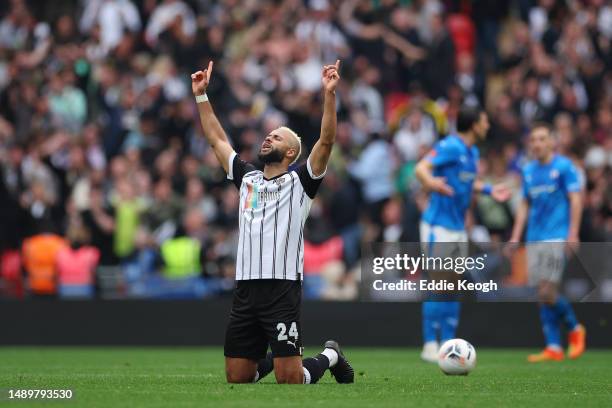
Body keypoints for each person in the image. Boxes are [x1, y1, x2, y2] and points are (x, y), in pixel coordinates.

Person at [190, 60, 354, 384]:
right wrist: (201, 97)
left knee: (289, 380)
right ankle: (276, 357)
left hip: (281, 288)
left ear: (291, 152)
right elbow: (217, 141)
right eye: (268, 135)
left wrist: (329, 95)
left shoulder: (301, 182)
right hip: (246, 288)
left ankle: (330, 355)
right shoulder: (248, 178)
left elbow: (326, 142)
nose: (268, 138)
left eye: (276, 137)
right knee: (237, 378)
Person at [415, 106, 510, 363]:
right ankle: (429, 344)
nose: (488, 125)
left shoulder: (472, 151)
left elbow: (467, 183)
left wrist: (489, 190)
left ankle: (448, 342)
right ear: (474, 124)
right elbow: (421, 168)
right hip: (438, 224)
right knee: (439, 283)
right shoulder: (451, 146)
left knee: (453, 284)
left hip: (457, 227)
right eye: (485, 120)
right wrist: (432, 183)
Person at [509, 124, 586, 362]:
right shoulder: (528, 170)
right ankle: (553, 346)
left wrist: (573, 233)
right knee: (542, 294)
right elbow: (524, 204)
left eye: (542, 139)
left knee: (546, 290)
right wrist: (515, 235)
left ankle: (575, 328)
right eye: (533, 140)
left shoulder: (564, 167)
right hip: (534, 237)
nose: (537, 144)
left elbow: (575, 199)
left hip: (556, 235)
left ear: (552, 142)